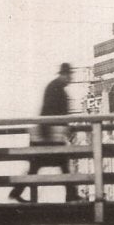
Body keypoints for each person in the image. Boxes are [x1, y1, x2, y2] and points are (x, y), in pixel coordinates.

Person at [10, 63, 75, 203]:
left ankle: (16, 192)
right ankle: (71, 194)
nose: (70, 78)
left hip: (46, 135)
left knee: (37, 166)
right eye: (69, 75)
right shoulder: (56, 89)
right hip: (49, 136)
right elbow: (52, 112)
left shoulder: (54, 87)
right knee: (61, 163)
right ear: (64, 75)